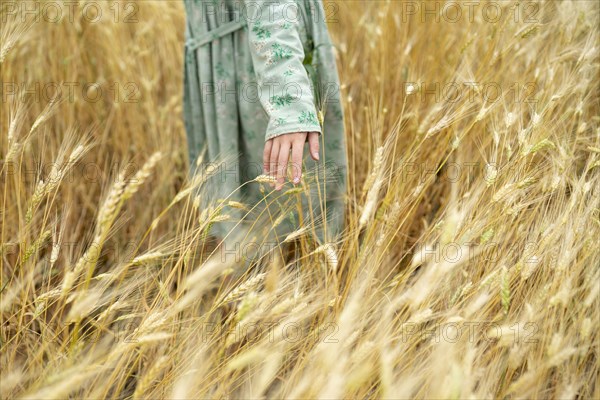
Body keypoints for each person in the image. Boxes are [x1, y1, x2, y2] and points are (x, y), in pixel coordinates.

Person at [183, 0, 347, 248]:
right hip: (224, 54)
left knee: (286, 205)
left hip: (262, 56)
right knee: (240, 205)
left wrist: (289, 100)